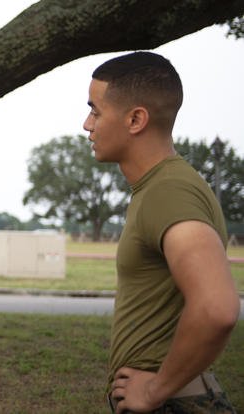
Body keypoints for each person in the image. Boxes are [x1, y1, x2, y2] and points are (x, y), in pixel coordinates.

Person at [83, 51, 240, 413]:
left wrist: (155, 389)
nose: (87, 125)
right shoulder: (159, 188)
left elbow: (218, 308)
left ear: (136, 119)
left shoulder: (168, 192)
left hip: (171, 402)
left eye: (95, 111)